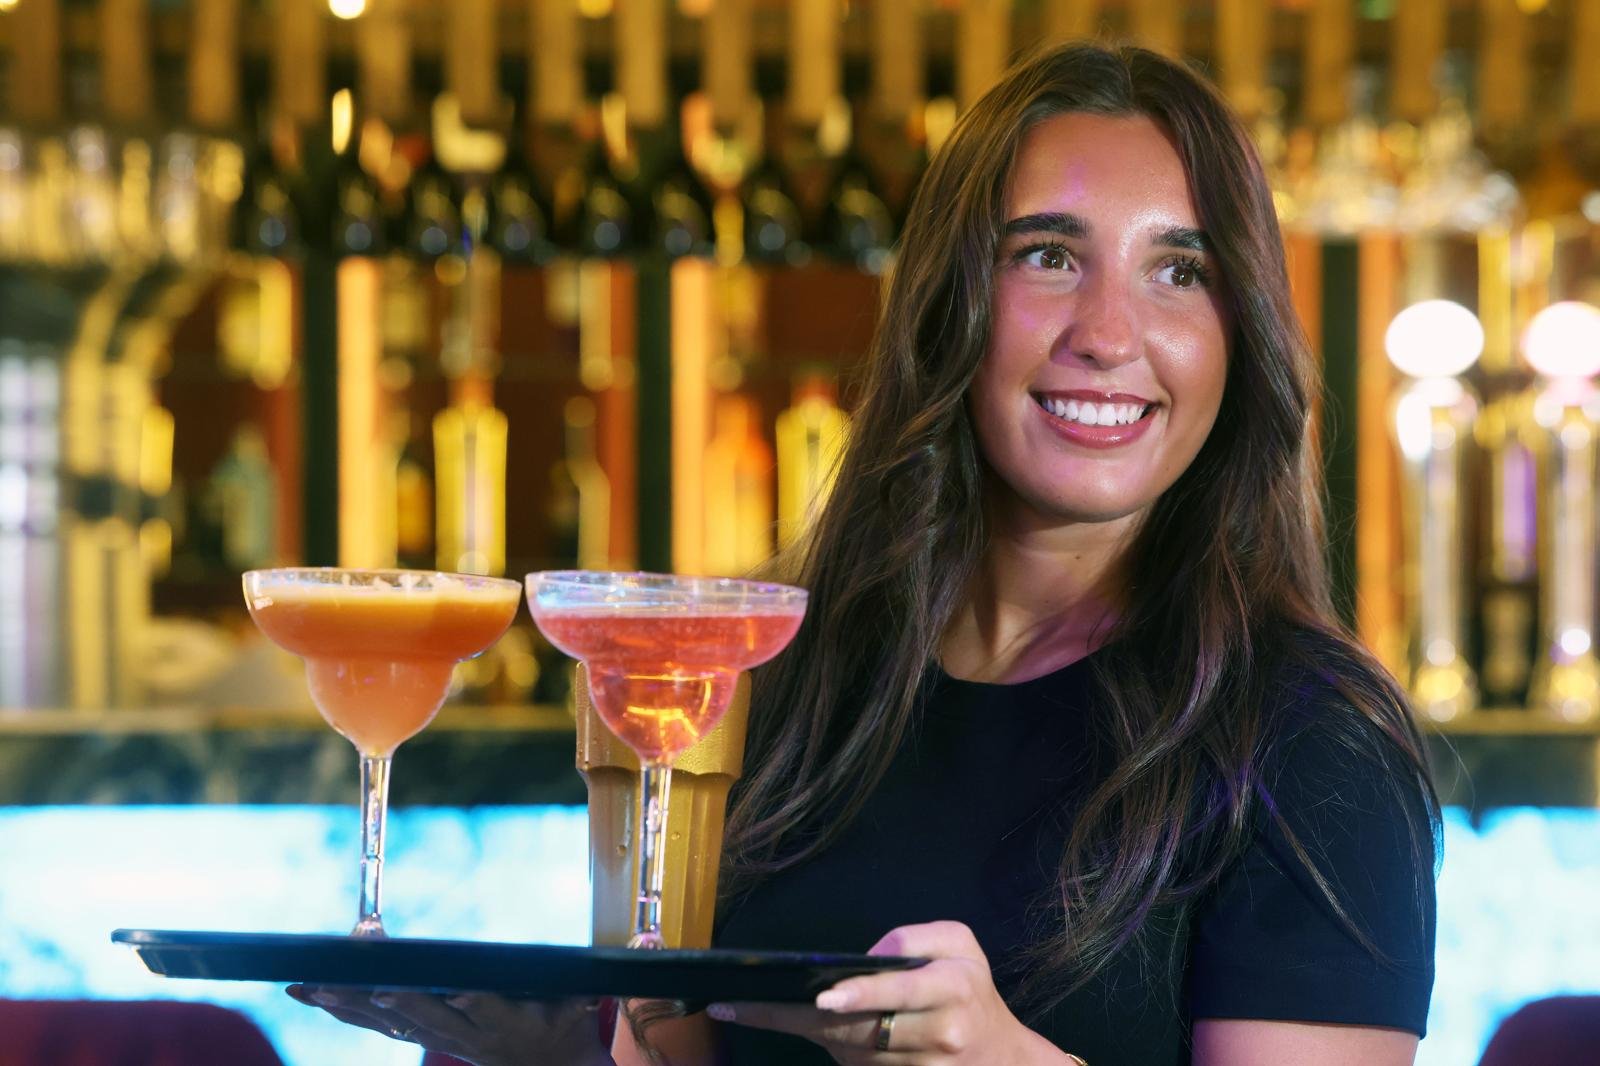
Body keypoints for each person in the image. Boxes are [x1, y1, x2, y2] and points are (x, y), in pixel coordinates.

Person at [293, 41, 1439, 1066]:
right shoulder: (778, 679)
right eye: (1047, 256)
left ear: (1241, 333)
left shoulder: (1312, 741)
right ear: (947, 301)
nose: (1106, 334)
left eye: (1180, 271)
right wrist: (552, 1054)